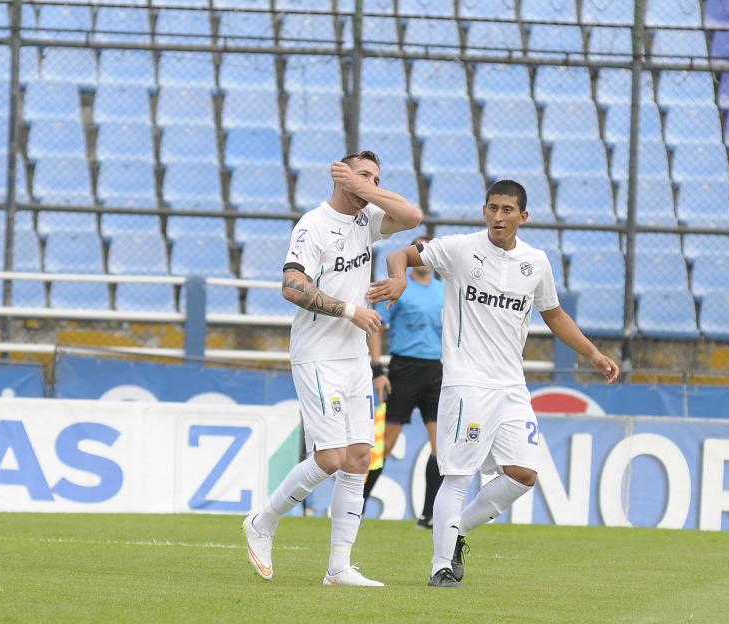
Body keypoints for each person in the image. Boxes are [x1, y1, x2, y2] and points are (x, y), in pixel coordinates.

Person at [368, 180, 619, 588]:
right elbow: (400, 253)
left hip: (511, 386)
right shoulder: (460, 249)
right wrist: (399, 278)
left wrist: (592, 353)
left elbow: (554, 315)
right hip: (467, 384)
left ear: (524, 217)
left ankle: (458, 530)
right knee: (458, 475)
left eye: (507, 210)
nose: (498, 217)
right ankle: (440, 565)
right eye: (492, 208)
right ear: (484, 211)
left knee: (523, 474)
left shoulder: (535, 262)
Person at [242, 151, 422, 587]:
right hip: (317, 354)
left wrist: (367, 188)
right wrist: (349, 311)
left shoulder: (367, 220)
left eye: (378, 177)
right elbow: (292, 286)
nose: (372, 184)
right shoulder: (313, 225)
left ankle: (338, 568)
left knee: (360, 457)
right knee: (329, 458)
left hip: (354, 359)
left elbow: (412, 216)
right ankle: (262, 521)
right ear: (341, 176)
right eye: (364, 175)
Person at [363, 235, 445, 528]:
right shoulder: (399, 287)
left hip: (435, 371)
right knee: (384, 446)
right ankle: (355, 507)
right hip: (403, 370)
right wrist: (378, 369)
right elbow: (376, 326)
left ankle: (428, 514)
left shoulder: (444, 291)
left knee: (441, 447)